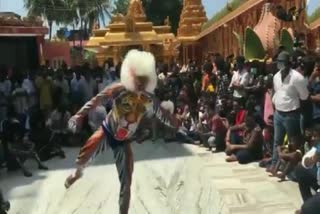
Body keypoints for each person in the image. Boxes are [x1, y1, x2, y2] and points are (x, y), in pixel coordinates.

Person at [64, 50, 179, 214]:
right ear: (131, 76)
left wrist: (174, 121)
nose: (140, 86)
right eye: (138, 81)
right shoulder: (118, 88)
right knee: (84, 157)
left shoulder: (150, 99)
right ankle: (76, 174)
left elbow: (163, 116)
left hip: (123, 142)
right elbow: (95, 100)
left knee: (127, 182)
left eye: (143, 82)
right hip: (106, 131)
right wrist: (78, 115)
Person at [269, 51, 309, 174]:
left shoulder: (297, 78)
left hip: (291, 114)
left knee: (293, 142)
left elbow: (304, 96)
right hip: (278, 113)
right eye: (279, 63)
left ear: (288, 64)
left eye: (283, 63)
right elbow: (277, 92)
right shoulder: (276, 76)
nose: (281, 65)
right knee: (277, 141)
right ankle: (274, 165)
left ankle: (291, 170)